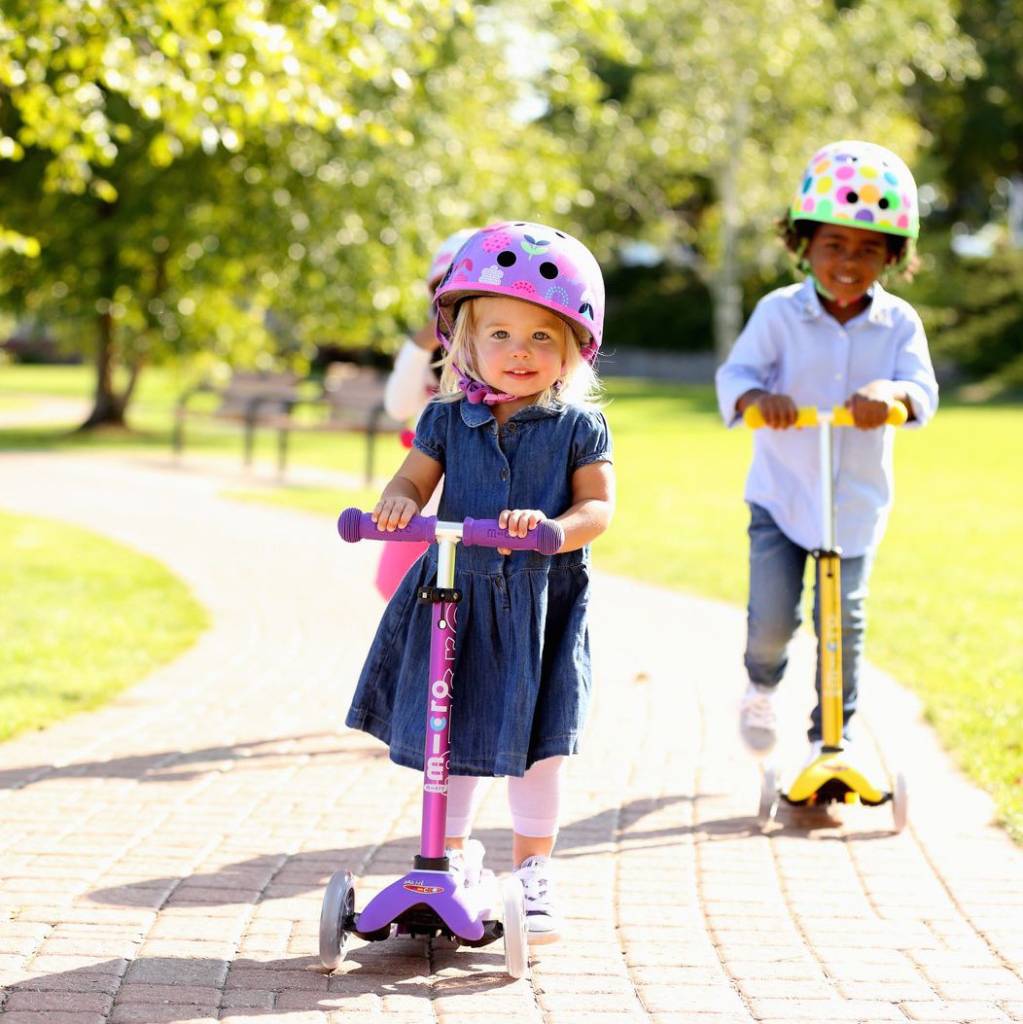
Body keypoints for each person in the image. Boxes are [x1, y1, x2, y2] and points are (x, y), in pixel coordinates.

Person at [346, 221, 614, 945]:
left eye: (539, 339)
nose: (518, 353)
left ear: (570, 349)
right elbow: (412, 476)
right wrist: (398, 501)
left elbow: (598, 508)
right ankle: (449, 860)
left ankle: (533, 871)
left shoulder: (577, 428)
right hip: (453, 597)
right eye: (499, 335)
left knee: (538, 744)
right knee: (448, 737)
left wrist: (557, 526)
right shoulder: (443, 418)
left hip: (535, 603)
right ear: (464, 339)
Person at [715, 140, 939, 762]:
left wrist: (892, 392)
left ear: (893, 256)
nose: (849, 261)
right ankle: (761, 687)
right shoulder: (778, 314)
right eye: (834, 246)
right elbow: (735, 377)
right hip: (782, 495)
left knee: (843, 626)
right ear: (804, 246)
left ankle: (831, 741)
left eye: (869, 249)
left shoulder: (898, 324)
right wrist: (760, 397)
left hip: (855, 502)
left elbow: (923, 391)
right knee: (772, 621)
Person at [375, 228, 477, 599]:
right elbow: (398, 406)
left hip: (471, 497)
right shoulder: (425, 354)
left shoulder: (492, 356)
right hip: (423, 489)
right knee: (400, 588)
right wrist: (420, 345)